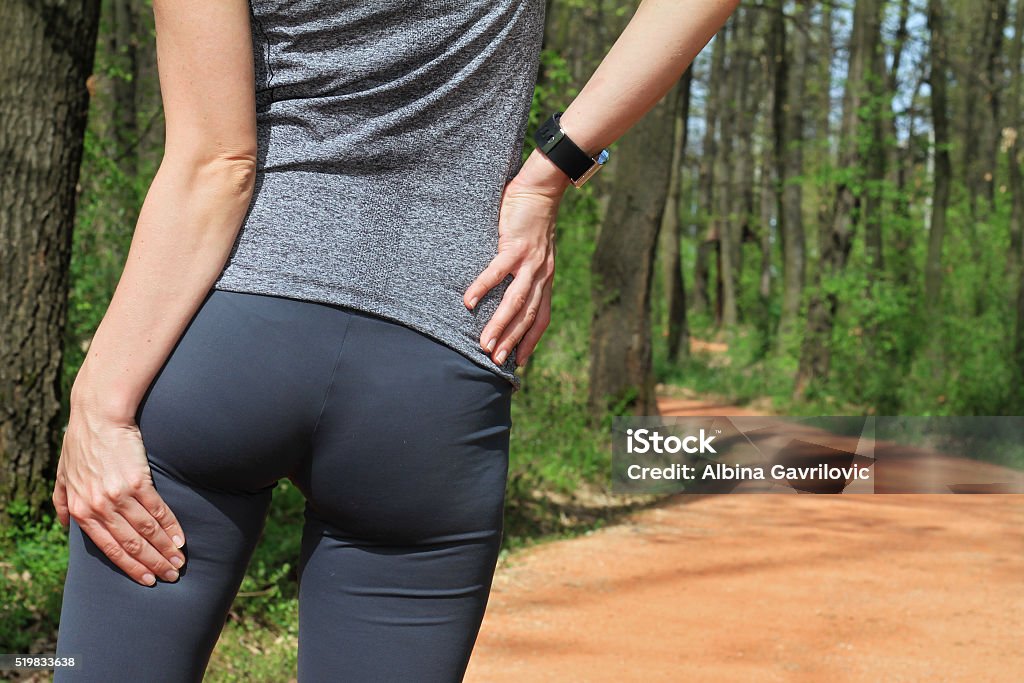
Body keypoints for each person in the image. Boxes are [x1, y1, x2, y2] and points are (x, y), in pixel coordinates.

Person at [52, 0, 739, 680]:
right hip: (434, 363)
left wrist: (98, 403)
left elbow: (217, 164)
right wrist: (550, 172)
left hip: (229, 340)